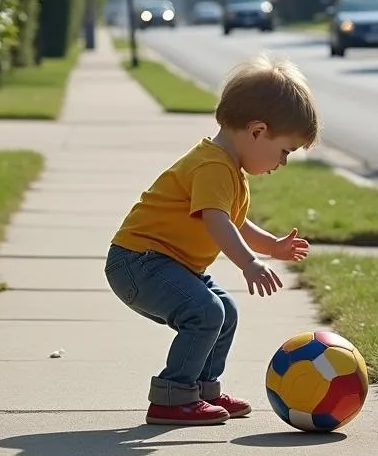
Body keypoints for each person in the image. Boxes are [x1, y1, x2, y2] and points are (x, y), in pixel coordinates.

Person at [104, 53, 320, 426]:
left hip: (166, 263)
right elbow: (217, 221)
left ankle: (203, 390)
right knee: (206, 312)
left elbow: (237, 222)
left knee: (225, 313)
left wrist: (272, 246)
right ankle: (172, 397)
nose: (282, 162)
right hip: (139, 263)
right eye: (284, 151)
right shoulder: (213, 166)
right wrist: (249, 263)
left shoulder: (227, 168)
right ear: (256, 131)